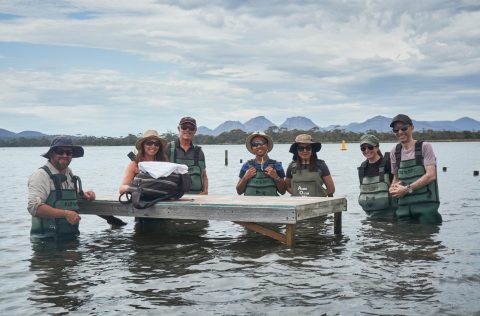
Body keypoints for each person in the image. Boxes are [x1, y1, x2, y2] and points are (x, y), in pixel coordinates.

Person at [27, 136, 96, 240]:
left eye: (69, 153)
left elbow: (64, 194)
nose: (65, 155)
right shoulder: (40, 175)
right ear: (51, 154)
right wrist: (66, 214)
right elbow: (34, 208)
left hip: (71, 238)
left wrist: (83, 194)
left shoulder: (69, 173)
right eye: (60, 152)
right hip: (45, 241)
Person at [388, 114, 442, 224]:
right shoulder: (394, 151)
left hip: (426, 208)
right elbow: (396, 178)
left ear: (412, 128)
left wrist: (407, 189)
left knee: (426, 239)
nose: (400, 132)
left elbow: (431, 175)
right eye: (396, 129)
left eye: (404, 128)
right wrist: (392, 188)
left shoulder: (425, 147)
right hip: (403, 210)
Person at [357, 134, 397, 218]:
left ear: (377, 147)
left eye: (370, 147)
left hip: (392, 217)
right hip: (370, 218)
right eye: (363, 148)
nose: (366, 150)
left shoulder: (388, 163)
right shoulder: (362, 168)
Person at [167, 117, 208, 195]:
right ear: (179, 129)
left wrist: (205, 191)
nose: (187, 130)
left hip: (196, 197)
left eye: (191, 128)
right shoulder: (168, 148)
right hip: (173, 197)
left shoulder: (199, 151)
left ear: (195, 130)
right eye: (184, 127)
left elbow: (204, 175)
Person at [236, 131, 286, 196]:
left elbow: (283, 191)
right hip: (251, 205)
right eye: (254, 144)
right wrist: (245, 178)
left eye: (262, 143)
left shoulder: (277, 165)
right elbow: (239, 191)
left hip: (271, 205)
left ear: (267, 146)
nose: (259, 146)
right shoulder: (246, 165)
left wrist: (276, 177)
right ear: (252, 148)